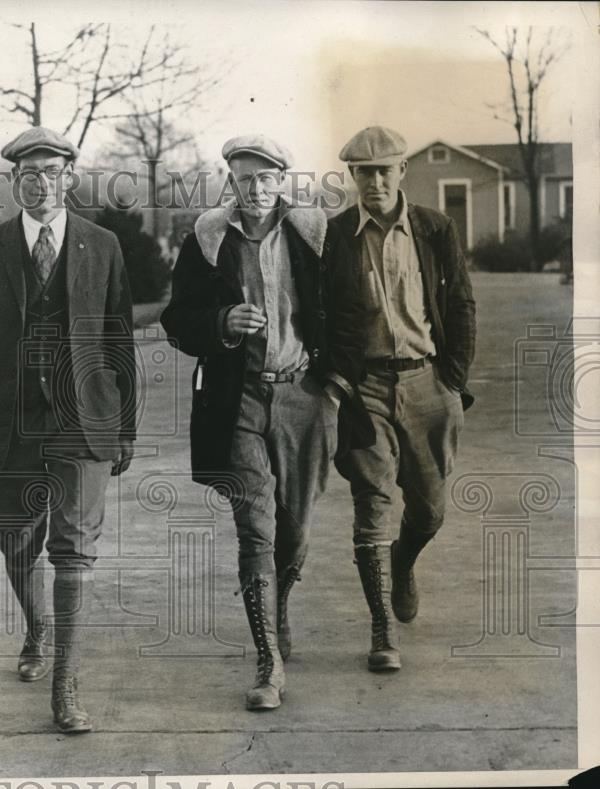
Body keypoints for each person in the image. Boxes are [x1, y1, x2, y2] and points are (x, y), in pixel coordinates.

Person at [160, 135, 373, 711]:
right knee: (256, 528)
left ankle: (278, 611)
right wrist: (223, 320)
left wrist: (335, 385)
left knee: (295, 527)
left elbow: (353, 312)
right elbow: (177, 319)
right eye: (243, 179)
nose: (254, 190)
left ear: (282, 180)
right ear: (230, 181)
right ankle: (267, 661)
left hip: (304, 395)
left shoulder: (314, 235)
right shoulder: (208, 239)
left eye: (264, 179)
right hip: (237, 401)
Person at [0, 126, 136, 733]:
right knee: (16, 541)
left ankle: (66, 684)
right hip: (8, 426)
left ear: (69, 178)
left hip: (84, 421)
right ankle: (36, 629)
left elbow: (119, 336)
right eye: (28, 174)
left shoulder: (101, 245)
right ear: (14, 183)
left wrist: (125, 425)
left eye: (51, 172)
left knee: (74, 548)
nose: (40, 183)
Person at [330, 126, 476, 672]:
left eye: (383, 170)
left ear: (401, 173)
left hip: (428, 382)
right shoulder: (336, 235)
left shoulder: (434, 228)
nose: (373, 181)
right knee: (371, 503)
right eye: (362, 172)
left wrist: (453, 380)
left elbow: (461, 304)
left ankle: (405, 560)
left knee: (431, 511)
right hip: (365, 385)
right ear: (352, 177)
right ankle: (381, 631)